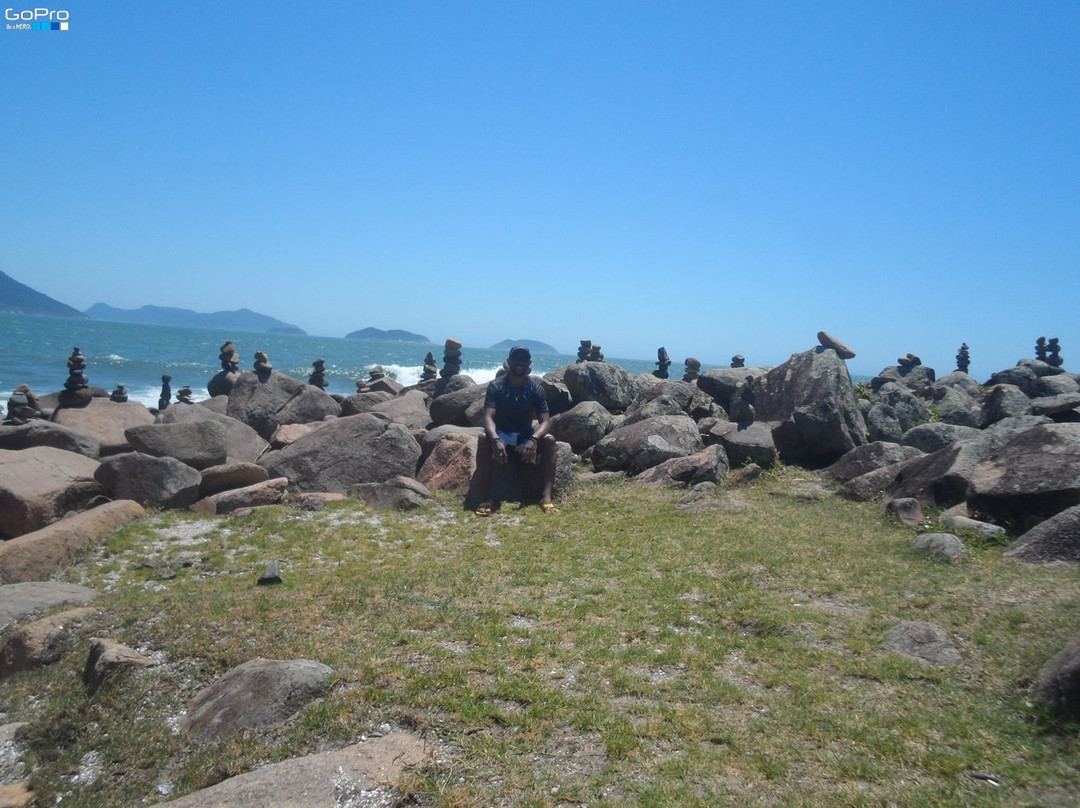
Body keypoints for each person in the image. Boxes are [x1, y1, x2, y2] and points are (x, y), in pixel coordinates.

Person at [474, 345, 559, 515]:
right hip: (502, 438)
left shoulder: (536, 389)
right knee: (484, 438)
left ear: (529, 364)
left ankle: (546, 497)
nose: (519, 364)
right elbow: (488, 417)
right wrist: (496, 439)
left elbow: (545, 421)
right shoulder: (496, 386)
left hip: (524, 439)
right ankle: (486, 497)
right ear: (508, 362)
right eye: (516, 360)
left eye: (523, 360)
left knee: (549, 441)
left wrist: (534, 439)